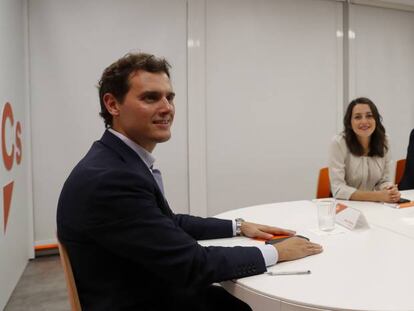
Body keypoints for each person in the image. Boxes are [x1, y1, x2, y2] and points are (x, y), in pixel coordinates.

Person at [57, 53, 322, 311]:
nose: (167, 108)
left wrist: (239, 226)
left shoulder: (115, 161)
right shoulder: (111, 179)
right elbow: (193, 265)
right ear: (112, 104)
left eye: (169, 97)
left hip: (144, 286)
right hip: (141, 299)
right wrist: (277, 252)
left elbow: (167, 222)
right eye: (151, 98)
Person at [329, 97, 400, 203]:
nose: (364, 121)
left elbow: (385, 180)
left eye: (369, 116)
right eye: (357, 117)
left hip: (374, 206)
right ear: (349, 122)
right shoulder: (339, 143)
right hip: (345, 205)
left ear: (376, 119)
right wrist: (377, 196)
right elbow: (338, 189)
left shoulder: (384, 140)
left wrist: (389, 190)